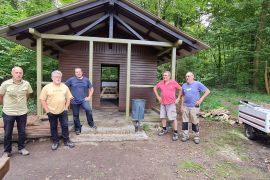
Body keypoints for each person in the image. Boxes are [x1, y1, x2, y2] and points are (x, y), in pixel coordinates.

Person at [0, 66, 33, 157]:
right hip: (9, 112)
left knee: (22, 131)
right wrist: (5, 105)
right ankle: (7, 151)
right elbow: (1, 96)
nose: (18, 74)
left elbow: (28, 95)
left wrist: (22, 103)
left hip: (22, 112)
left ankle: (21, 148)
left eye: (20, 73)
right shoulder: (5, 84)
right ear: (12, 73)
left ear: (22, 74)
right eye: (16, 72)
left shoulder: (26, 84)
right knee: (7, 132)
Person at [39, 70, 75, 150]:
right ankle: (55, 142)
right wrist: (47, 111)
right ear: (52, 78)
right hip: (51, 111)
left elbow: (69, 97)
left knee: (65, 126)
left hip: (63, 111)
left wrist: (66, 107)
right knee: (53, 126)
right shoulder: (47, 87)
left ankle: (66, 141)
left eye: (59, 77)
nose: (58, 78)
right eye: (56, 77)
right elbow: (42, 99)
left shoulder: (64, 86)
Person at [181, 72, 210, 144]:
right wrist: (181, 105)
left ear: (193, 77)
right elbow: (183, 96)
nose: (187, 77)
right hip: (185, 106)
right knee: (185, 122)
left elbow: (207, 91)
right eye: (186, 76)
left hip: (194, 107)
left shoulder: (197, 84)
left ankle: (196, 136)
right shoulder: (184, 85)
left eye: (188, 76)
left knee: (195, 121)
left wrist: (201, 100)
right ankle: (185, 136)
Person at [65, 67, 96, 135]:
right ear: (75, 73)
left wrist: (89, 97)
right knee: (75, 115)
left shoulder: (86, 80)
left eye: (79, 72)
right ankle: (77, 128)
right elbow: (64, 87)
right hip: (74, 101)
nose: (78, 73)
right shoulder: (71, 79)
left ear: (82, 72)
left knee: (89, 110)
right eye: (76, 72)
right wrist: (69, 95)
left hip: (83, 100)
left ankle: (91, 123)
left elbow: (91, 89)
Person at [153, 71, 181, 141]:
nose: (164, 77)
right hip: (163, 103)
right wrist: (158, 97)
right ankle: (164, 129)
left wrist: (178, 98)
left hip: (171, 103)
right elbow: (154, 88)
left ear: (169, 76)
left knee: (173, 118)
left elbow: (181, 89)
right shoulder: (161, 82)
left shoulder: (173, 82)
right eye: (163, 75)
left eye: (166, 75)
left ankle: (175, 132)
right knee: (163, 117)